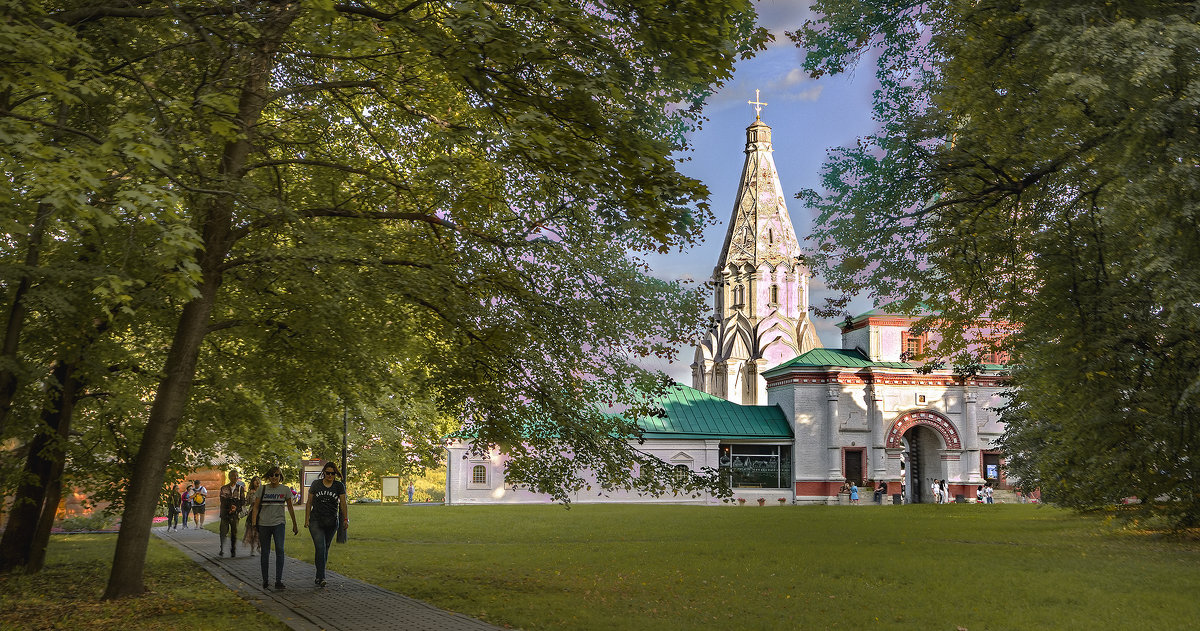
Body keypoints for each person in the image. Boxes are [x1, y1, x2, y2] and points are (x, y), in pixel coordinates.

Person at [251, 466, 298, 589]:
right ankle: (265, 580)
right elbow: (255, 507)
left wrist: (294, 524)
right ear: (268, 476)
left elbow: (290, 508)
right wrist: (254, 523)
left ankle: (278, 580)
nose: (274, 477)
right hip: (264, 524)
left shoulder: (285, 489)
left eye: (276, 475)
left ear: (280, 476)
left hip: (279, 524)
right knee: (265, 552)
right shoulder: (262, 489)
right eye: (271, 475)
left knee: (280, 550)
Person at [304, 462, 349, 588]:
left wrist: (346, 519)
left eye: (332, 473)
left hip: (331, 522)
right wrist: (306, 519)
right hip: (316, 520)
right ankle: (321, 576)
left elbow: (343, 504)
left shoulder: (339, 486)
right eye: (327, 473)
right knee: (320, 547)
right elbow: (309, 503)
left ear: (335, 474)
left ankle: (319, 575)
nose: (330, 475)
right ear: (323, 472)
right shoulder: (316, 484)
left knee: (325, 548)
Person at [219, 469, 246, 557]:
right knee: (223, 531)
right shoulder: (224, 488)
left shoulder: (240, 488)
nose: (235, 477)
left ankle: (233, 548)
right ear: (229, 477)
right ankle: (222, 548)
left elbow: (242, 501)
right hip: (225, 513)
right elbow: (223, 500)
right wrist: (230, 508)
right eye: (234, 475)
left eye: (237, 476)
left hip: (235, 514)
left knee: (234, 532)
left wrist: (236, 508)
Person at [243, 475, 262, 556]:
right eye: (255, 480)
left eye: (259, 480)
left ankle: (259, 546)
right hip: (252, 513)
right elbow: (246, 502)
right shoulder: (251, 492)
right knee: (252, 531)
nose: (257, 482)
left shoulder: (263, 491)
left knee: (261, 531)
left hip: (262, 513)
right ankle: (252, 549)